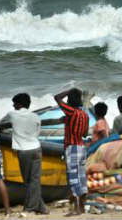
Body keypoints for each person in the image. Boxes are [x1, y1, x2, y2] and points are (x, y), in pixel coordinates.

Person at [41, 88, 89, 216]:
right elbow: (84, 134)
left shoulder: (71, 112)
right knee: (82, 178)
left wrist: (70, 90)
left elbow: (57, 97)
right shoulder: (85, 115)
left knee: (73, 178)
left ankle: (76, 209)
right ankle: (82, 208)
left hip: (72, 147)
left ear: (70, 100)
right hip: (81, 147)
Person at [0, 93, 48, 214]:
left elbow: (0, 123)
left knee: (28, 181)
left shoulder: (12, 114)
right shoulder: (36, 116)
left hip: (24, 150)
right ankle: (41, 207)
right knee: (35, 180)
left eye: (14, 103)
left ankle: (30, 208)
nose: (13, 106)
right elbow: (37, 133)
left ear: (19, 104)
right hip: (36, 148)